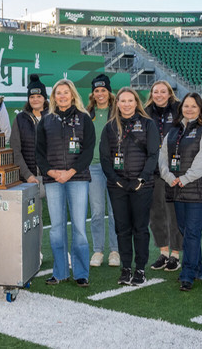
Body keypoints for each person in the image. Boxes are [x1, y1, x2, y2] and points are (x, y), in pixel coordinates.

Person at [36, 79, 94, 287]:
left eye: (65, 93)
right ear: (53, 97)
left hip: (77, 178)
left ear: (72, 95)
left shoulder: (84, 118)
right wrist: (52, 172)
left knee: (78, 227)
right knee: (57, 228)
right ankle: (60, 272)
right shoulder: (45, 120)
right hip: (52, 180)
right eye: (58, 93)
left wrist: (70, 172)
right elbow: (39, 153)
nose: (62, 96)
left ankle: (81, 273)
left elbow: (88, 150)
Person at [99, 88, 159, 286]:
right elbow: (105, 158)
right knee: (122, 228)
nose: (126, 104)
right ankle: (126, 268)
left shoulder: (148, 124)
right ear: (117, 104)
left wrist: (141, 179)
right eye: (122, 101)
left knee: (140, 228)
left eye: (130, 101)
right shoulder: (109, 128)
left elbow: (153, 155)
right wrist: (116, 179)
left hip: (142, 186)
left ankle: (140, 269)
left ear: (136, 103)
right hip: (117, 186)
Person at [159, 92, 202, 291]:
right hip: (177, 188)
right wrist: (168, 177)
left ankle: (187, 274)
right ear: (181, 108)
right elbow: (163, 156)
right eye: (186, 106)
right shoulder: (174, 130)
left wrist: (184, 179)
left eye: (194, 106)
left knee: (192, 232)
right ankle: (198, 268)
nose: (189, 109)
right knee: (185, 231)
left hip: (196, 190)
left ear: (201, 109)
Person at [145, 80, 182, 272]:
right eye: (155, 91)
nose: (159, 95)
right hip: (153, 170)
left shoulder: (179, 110)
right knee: (156, 213)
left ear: (169, 93)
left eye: (163, 91)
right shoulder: (145, 112)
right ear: (151, 94)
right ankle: (164, 252)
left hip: (173, 170)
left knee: (173, 212)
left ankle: (175, 254)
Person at [86, 74, 118, 268]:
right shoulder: (87, 112)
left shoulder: (117, 112)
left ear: (109, 92)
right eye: (96, 90)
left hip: (114, 168)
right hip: (94, 168)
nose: (100, 94)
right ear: (93, 93)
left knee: (115, 212)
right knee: (97, 212)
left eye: (103, 90)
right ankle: (98, 250)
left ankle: (115, 251)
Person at [11, 74, 47, 184]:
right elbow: (15, 150)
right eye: (32, 97)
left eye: (39, 96)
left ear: (44, 98)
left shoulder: (53, 117)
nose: (35, 100)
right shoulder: (20, 119)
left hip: (52, 179)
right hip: (28, 179)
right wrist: (28, 175)